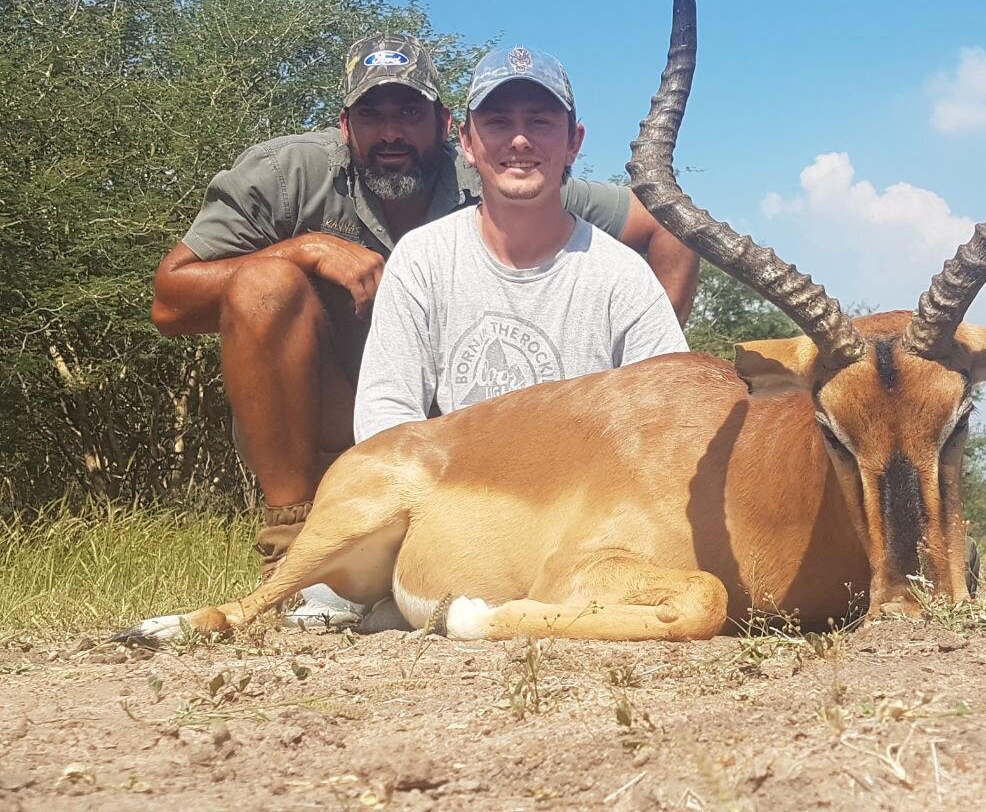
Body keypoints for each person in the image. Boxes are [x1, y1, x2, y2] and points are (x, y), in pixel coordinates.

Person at [150, 33, 697, 607]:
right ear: (345, 124)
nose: (391, 132)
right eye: (372, 114)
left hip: (494, 460)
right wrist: (304, 249)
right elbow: (169, 301)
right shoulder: (292, 176)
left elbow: (667, 229)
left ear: (443, 127)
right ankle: (291, 545)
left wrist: (647, 383)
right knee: (265, 284)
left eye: (410, 112)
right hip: (365, 436)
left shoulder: (522, 184)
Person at [354, 45, 689, 443]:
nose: (519, 140)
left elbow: (671, 417)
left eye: (540, 122)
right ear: (467, 141)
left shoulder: (623, 276)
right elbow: (385, 411)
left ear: (573, 143)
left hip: (586, 495)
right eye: (497, 122)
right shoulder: (421, 259)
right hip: (455, 493)